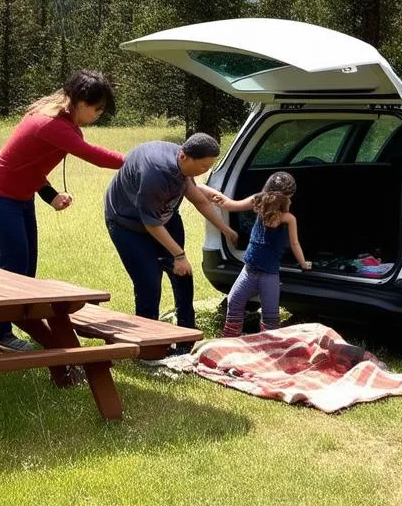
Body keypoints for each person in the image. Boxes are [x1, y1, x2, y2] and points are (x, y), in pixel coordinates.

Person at [0, 70, 125, 351]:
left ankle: (19, 325)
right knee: (13, 267)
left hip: (19, 199)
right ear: (80, 102)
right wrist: (133, 160)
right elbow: (92, 155)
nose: (97, 115)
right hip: (0, 199)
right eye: (96, 109)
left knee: (25, 269)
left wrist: (50, 195)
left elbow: (29, 165)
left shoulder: (57, 117)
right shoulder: (51, 123)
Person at [104, 133, 238, 352]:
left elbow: (198, 199)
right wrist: (178, 255)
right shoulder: (156, 175)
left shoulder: (182, 164)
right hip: (127, 224)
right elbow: (152, 224)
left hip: (163, 216)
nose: (204, 172)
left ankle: (186, 343)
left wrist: (225, 229)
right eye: (203, 167)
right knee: (149, 283)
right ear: (184, 156)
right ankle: (147, 348)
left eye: (208, 167)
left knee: (183, 277)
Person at [201, 171, 311, 337]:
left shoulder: (287, 218)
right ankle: (231, 340)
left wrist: (303, 264)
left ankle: (267, 347)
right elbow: (230, 204)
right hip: (249, 270)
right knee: (235, 302)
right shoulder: (258, 202)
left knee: (270, 316)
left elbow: (295, 244)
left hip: (268, 274)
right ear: (289, 196)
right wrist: (209, 193)